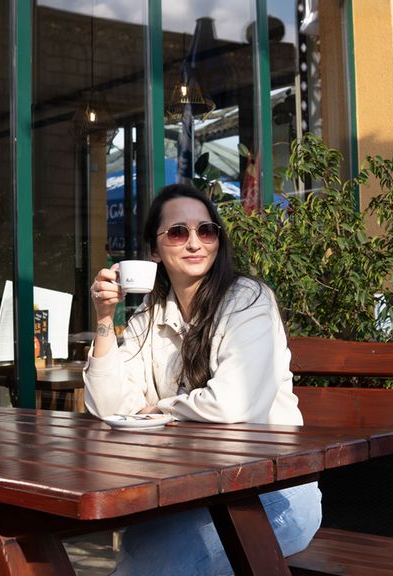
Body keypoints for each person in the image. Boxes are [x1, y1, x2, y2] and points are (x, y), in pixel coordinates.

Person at [84, 183, 321, 575]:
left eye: (206, 230)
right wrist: (105, 319)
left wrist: (159, 410)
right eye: (179, 232)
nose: (195, 242)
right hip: (194, 493)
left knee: (153, 564)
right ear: (154, 250)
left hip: (274, 493)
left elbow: (234, 405)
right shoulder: (150, 315)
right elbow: (109, 407)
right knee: (142, 550)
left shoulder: (248, 300)